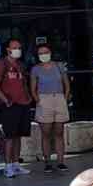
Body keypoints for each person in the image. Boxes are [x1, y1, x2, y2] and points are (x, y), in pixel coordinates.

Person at [0, 39, 34, 178]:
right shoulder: (1, 64)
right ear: (8, 49)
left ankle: (16, 164)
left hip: (23, 104)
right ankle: (8, 166)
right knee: (9, 136)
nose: (17, 50)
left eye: (19, 47)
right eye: (15, 47)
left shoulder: (20, 65)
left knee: (18, 136)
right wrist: (5, 100)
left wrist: (28, 99)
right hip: (10, 105)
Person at [31, 42, 69, 173]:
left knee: (59, 132)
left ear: (50, 53)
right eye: (41, 53)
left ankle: (61, 161)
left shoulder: (59, 66)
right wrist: (38, 100)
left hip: (59, 98)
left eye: (46, 52)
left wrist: (65, 97)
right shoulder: (36, 69)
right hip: (44, 99)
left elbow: (66, 83)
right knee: (46, 133)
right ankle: (47, 162)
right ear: (37, 55)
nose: (44, 55)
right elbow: (33, 87)